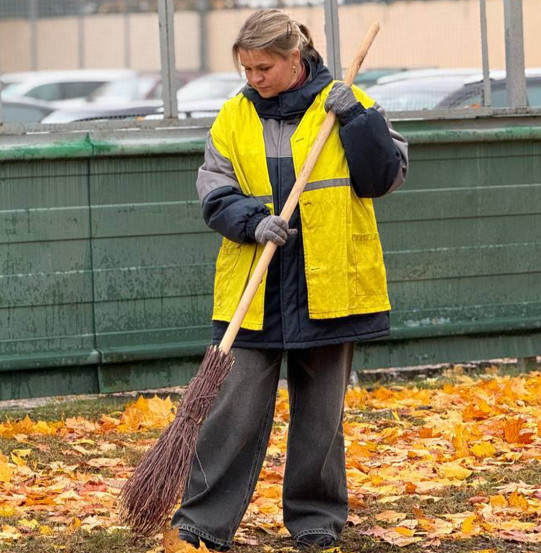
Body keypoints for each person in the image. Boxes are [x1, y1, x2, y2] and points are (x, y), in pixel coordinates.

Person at [171, 9, 408, 551]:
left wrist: (359, 122)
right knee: (233, 409)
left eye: (264, 67)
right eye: (247, 68)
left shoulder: (350, 103)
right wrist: (252, 221)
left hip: (331, 285)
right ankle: (203, 522)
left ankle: (316, 520)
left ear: (294, 58)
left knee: (321, 416)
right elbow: (214, 192)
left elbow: (383, 178)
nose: (253, 78)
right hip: (255, 286)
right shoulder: (233, 117)